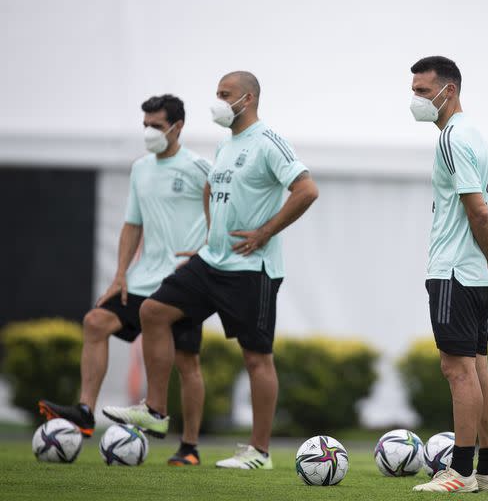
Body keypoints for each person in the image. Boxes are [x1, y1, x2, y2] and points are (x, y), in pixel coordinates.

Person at [103, 71, 319, 470]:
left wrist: (264, 232)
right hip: (212, 261)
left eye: (225, 94)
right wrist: (210, 234)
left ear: (248, 98)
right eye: (217, 93)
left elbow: (307, 189)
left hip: (252, 268)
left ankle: (259, 452)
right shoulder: (225, 145)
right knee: (153, 312)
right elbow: (210, 189)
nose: (217, 101)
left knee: (256, 358)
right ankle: (155, 409)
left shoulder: (268, 142)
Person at [39, 94, 211, 466]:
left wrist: (205, 252)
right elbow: (132, 224)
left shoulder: (200, 167)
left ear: (177, 127)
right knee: (95, 321)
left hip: (182, 284)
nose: (148, 132)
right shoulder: (140, 169)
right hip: (141, 278)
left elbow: (225, 213)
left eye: (156, 126)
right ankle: (86, 411)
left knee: (187, 362)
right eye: (145, 125)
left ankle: (190, 446)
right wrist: (119, 275)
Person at [408, 56, 488, 493]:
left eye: (422, 91)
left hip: (455, 271)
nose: (416, 100)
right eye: (414, 91)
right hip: (474, 272)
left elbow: (478, 209)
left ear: (449, 90)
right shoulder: (475, 135)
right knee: (478, 370)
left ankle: (459, 472)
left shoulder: (453, 138)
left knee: (457, 370)